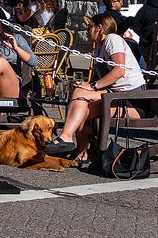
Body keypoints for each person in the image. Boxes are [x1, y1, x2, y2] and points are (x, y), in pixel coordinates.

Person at [45, 13, 148, 160]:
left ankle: (66, 137)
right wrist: (87, 84)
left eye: (90, 26)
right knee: (83, 107)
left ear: (99, 27)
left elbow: (119, 71)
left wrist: (92, 86)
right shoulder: (99, 47)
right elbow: (98, 77)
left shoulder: (113, 39)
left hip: (133, 100)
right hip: (114, 96)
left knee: (81, 94)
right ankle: (80, 152)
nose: (88, 30)